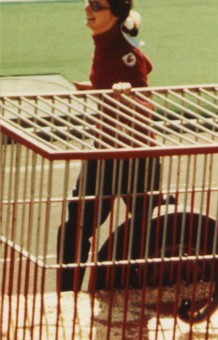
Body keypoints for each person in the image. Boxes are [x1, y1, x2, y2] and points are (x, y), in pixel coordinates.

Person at [57, 0, 162, 291]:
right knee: (75, 228)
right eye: (87, 2)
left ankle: (147, 285)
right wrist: (97, 88)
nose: (87, 9)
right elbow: (133, 69)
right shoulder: (106, 42)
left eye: (96, 5)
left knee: (151, 227)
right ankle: (66, 296)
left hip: (134, 158)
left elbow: (146, 105)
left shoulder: (126, 55)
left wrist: (129, 94)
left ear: (114, 15)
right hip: (103, 151)